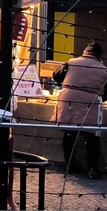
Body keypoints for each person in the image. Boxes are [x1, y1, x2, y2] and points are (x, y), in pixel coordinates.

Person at [55, 41, 107, 180]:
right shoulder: (104, 69)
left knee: (70, 133)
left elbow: (56, 76)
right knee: (92, 136)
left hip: (68, 99)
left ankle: (70, 166)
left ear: (85, 52)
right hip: (91, 101)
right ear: (98, 55)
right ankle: (92, 169)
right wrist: (100, 97)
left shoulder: (71, 62)